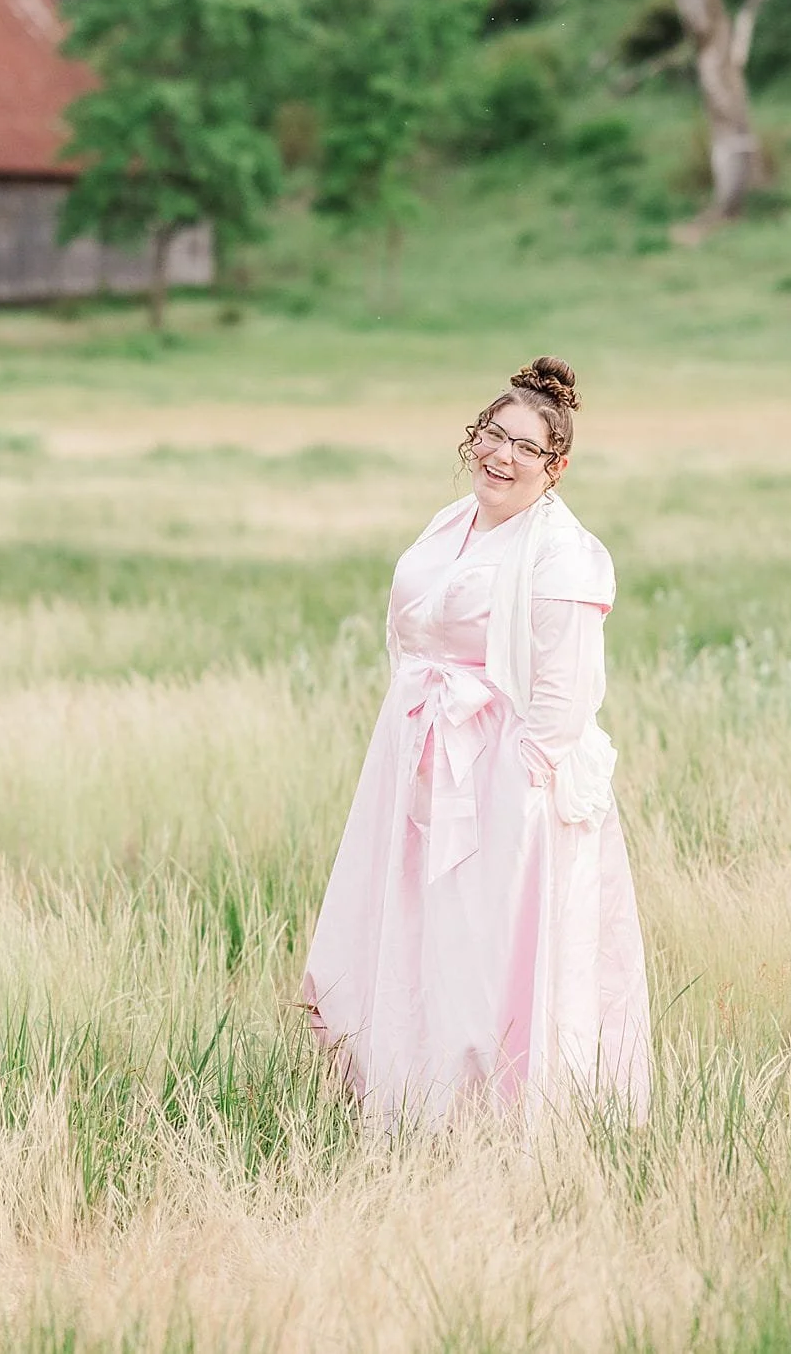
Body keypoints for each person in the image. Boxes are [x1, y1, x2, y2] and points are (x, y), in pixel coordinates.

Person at [301, 356, 652, 1125]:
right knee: (403, 932)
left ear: (556, 467)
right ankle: (403, 1095)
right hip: (418, 763)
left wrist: (511, 800)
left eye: (527, 447)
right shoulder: (449, 522)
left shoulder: (561, 554)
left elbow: (564, 700)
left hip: (501, 786)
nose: (503, 455)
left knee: (478, 958)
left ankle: (481, 1118)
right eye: (495, 434)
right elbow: (411, 635)